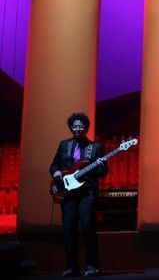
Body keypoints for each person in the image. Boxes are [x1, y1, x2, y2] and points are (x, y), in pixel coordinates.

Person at [50, 113, 108, 277]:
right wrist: (56, 174)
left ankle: (92, 265)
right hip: (67, 192)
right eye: (75, 126)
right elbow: (54, 165)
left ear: (86, 128)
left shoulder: (95, 147)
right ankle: (71, 266)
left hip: (87, 192)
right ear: (71, 128)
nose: (77, 129)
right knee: (69, 229)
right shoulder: (63, 145)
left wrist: (101, 166)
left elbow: (103, 173)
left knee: (87, 226)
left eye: (81, 126)